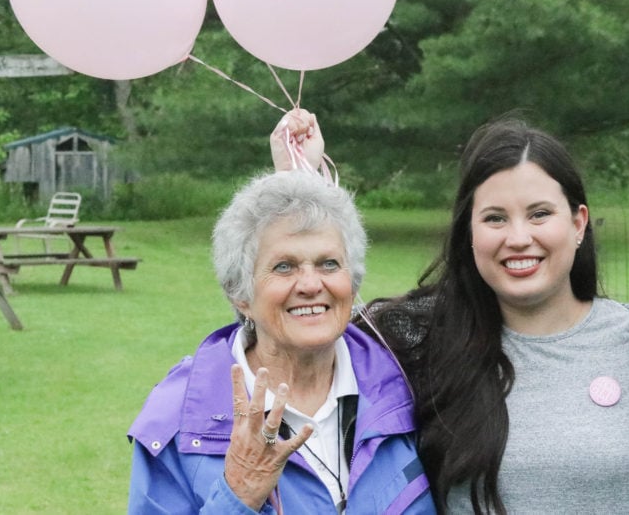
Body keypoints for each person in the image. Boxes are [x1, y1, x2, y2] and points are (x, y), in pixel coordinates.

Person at [272, 109, 629, 514]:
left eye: (540, 214)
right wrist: (298, 187)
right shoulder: (418, 339)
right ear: (469, 231)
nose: (518, 238)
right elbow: (296, 339)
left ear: (578, 223)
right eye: (495, 218)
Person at [127, 170, 435, 514]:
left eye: (328, 263)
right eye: (284, 267)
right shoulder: (179, 420)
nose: (310, 284)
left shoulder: (405, 383)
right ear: (240, 293)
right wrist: (238, 496)